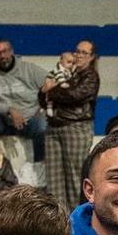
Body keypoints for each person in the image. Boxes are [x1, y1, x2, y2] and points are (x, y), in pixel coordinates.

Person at [41, 41, 100, 216]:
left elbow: (74, 95)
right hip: (53, 127)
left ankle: (77, 220)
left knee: (75, 179)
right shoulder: (65, 72)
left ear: (92, 57)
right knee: (54, 181)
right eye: (77, 52)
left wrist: (51, 90)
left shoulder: (91, 76)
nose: (79, 55)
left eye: (84, 53)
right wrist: (47, 91)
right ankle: (58, 221)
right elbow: (42, 96)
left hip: (76, 127)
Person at [0, 39, 48, 161]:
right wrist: (9, 110)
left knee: (42, 125)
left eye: (5, 51)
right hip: (4, 121)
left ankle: (39, 164)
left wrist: (43, 106)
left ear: (12, 51)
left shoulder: (29, 69)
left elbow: (50, 83)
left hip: (29, 120)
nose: (2, 56)